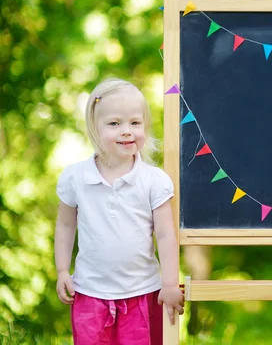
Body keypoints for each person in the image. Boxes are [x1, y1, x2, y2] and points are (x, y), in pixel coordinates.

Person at [55, 78, 184, 344]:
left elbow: (166, 235)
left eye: (135, 123)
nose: (127, 131)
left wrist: (170, 284)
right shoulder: (75, 178)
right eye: (114, 124)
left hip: (142, 292)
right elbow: (66, 226)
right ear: (94, 127)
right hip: (89, 293)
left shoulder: (153, 181)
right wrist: (62, 271)